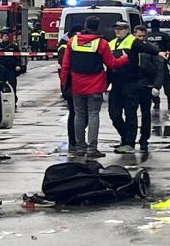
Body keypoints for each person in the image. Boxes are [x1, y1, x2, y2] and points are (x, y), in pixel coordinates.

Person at [59, 16, 129, 159]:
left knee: (79, 115)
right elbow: (112, 64)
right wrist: (125, 58)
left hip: (77, 85)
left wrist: (64, 83)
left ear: (85, 25)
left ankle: (79, 147)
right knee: (93, 115)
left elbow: (65, 66)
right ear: (98, 27)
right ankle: (92, 148)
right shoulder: (101, 43)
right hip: (95, 85)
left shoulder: (73, 41)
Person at [107, 20, 162, 154]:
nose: (118, 31)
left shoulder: (133, 41)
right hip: (116, 83)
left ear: (127, 30)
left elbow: (154, 50)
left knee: (130, 114)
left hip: (131, 83)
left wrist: (142, 45)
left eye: (121, 29)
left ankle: (129, 143)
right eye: (116, 28)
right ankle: (125, 137)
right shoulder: (111, 43)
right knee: (114, 114)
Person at [133, 25, 165, 152]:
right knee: (131, 114)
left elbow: (159, 67)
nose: (141, 38)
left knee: (146, 114)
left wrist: (157, 86)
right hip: (133, 84)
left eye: (143, 36)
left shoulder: (151, 49)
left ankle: (144, 140)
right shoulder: (131, 47)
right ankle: (130, 138)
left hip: (147, 85)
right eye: (138, 36)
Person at [58, 25, 84, 153]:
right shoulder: (65, 46)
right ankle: (74, 141)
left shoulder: (70, 44)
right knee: (75, 113)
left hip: (78, 84)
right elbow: (64, 67)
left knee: (80, 114)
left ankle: (77, 139)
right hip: (70, 85)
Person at [146, 19, 170, 110]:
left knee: (154, 84)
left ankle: (156, 102)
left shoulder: (147, 37)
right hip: (162, 62)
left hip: (150, 64)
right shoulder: (165, 36)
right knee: (166, 84)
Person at [0, 32, 20, 108]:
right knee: (1, 86)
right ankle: (1, 101)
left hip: (11, 68)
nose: (6, 38)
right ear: (2, 38)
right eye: (4, 36)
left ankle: (13, 101)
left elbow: (18, 56)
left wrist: (18, 65)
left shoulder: (13, 46)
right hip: (2, 69)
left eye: (7, 36)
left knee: (12, 85)